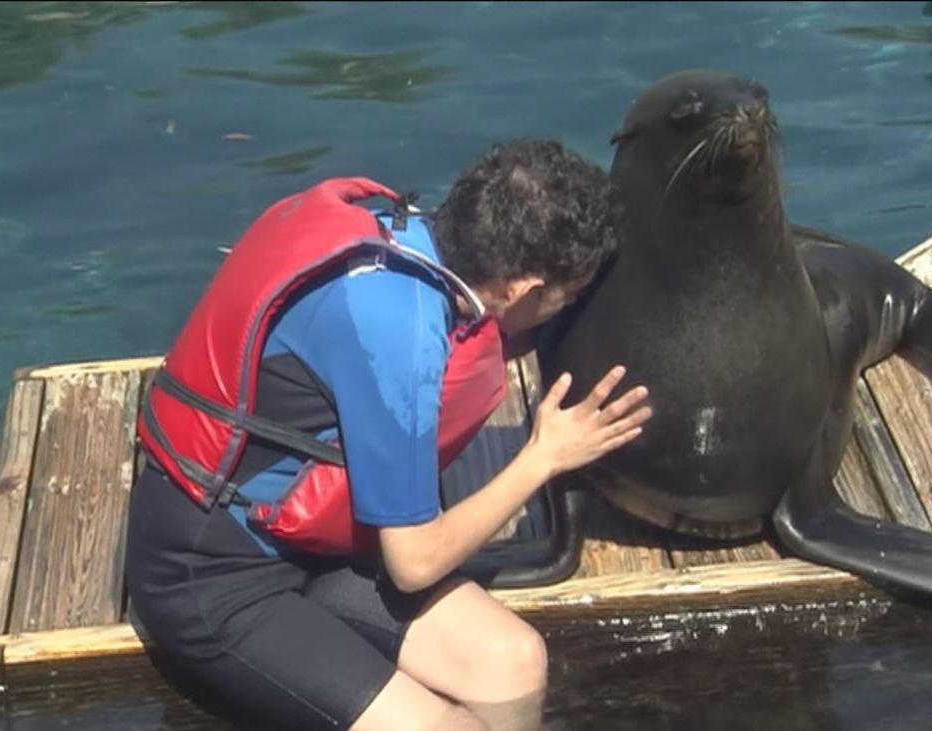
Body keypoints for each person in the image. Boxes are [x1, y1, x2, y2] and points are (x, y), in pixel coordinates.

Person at [124, 138, 653, 731]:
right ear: (525, 290)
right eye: (568, 296)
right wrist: (543, 456)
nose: (566, 308)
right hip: (213, 576)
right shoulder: (396, 332)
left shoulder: (404, 241)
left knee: (514, 663)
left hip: (316, 550)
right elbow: (415, 564)